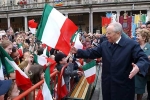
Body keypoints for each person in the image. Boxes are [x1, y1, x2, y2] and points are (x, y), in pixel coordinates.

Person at [71, 22, 150, 100]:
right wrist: (78, 51)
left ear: (118, 33)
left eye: (109, 33)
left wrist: (138, 67)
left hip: (123, 88)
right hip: (108, 86)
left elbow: (143, 58)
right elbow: (92, 52)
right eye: (106, 33)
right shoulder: (105, 45)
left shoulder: (131, 45)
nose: (106, 35)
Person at [135, 29, 150, 100]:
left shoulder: (149, 47)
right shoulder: (135, 46)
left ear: (144, 38)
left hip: (145, 72)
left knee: (141, 90)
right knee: (134, 88)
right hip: (135, 71)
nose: (136, 37)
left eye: (138, 36)